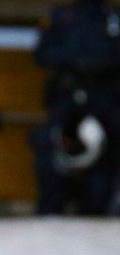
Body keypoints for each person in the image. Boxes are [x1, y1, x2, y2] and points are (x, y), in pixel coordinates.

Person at [30, 0, 120, 215]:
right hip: (67, 96)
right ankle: (51, 208)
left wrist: (97, 64)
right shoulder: (62, 17)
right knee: (50, 146)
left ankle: (98, 207)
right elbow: (43, 54)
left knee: (107, 152)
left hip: (104, 97)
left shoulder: (112, 18)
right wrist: (76, 61)